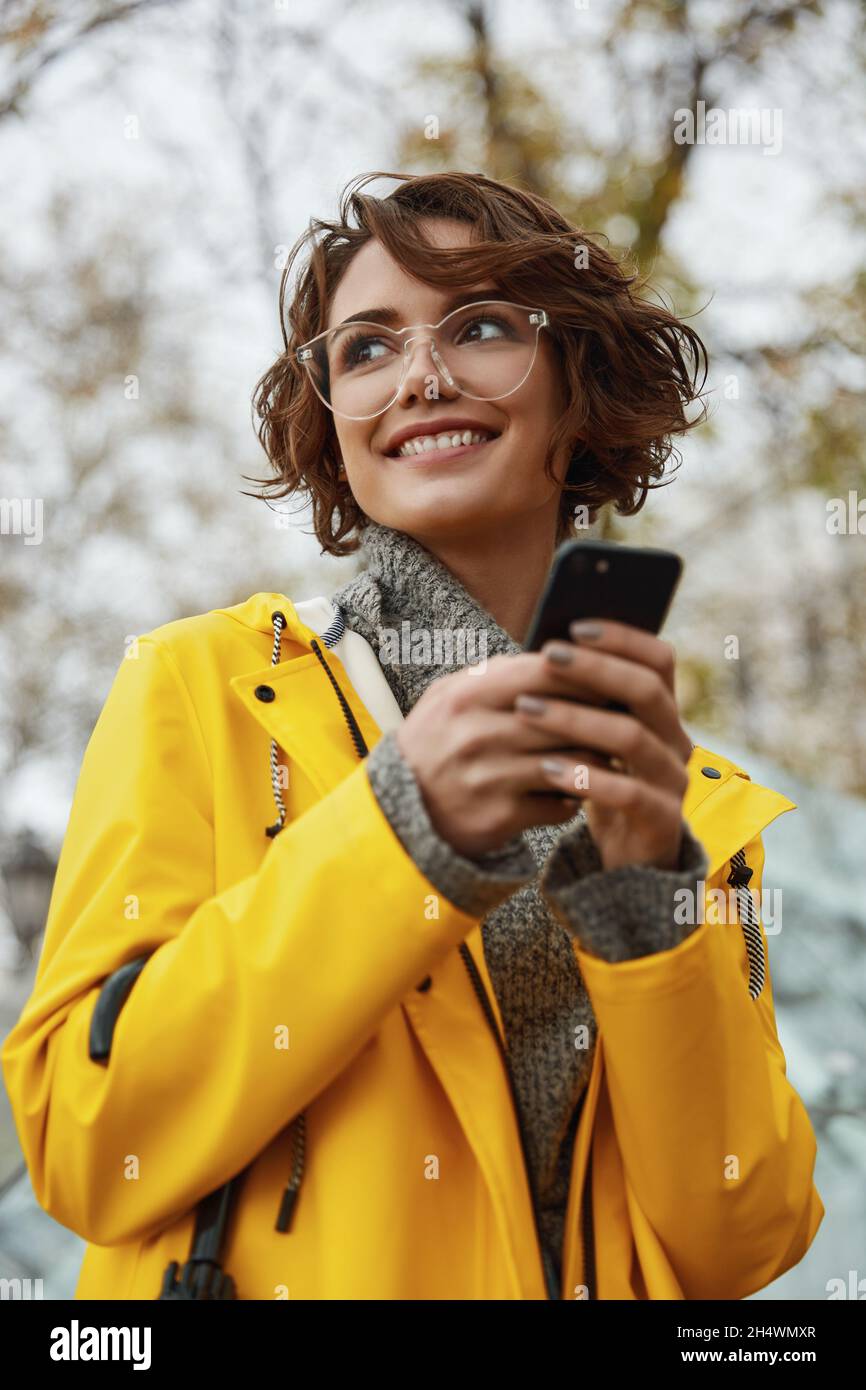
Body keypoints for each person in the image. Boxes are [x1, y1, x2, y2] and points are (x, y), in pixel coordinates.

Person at [2, 170, 823, 1300]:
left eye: (480, 327)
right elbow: (88, 1142)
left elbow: (737, 1242)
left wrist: (643, 903)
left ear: (576, 388)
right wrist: (400, 833)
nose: (423, 376)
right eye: (368, 348)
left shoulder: (692, 803)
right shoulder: (203, 683)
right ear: (335, 429)